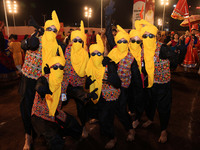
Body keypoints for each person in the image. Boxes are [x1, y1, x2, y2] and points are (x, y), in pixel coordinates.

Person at [19, 10, 64, 150]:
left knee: (44, 109)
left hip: (43, 81)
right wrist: (27, 42)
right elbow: (23, 45)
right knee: (26, 108)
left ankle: (45, 133)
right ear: (45, 28)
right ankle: (28, 136)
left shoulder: (58, 47)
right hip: (27, 79)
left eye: (54, 29)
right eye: (49, 28)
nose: (51, 31)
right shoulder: (37, 37)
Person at [32, 52, 82, 150]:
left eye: (61, 67)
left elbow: (73, 92)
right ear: (50, 68)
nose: (58, 70)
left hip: (56, 113)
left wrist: (87, 95)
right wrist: (42, 90)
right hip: (40, 115)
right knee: (54, 139)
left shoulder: (63, 82)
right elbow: (39, 86)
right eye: (55, 67)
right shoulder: (44, 79)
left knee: (73, 124)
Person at [138, 20, 172, 143]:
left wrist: (169, 58)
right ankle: (150, 119)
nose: (147, 38)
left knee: (163, 107)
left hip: (163, 84)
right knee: (149, 104)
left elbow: (174, 60)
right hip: (150, 82)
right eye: (145, 36)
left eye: (150, 36)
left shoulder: (162, 48)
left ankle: (163, 130)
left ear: (155, 36)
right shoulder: (142, 48)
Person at [85, 34, 121, 149]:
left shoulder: (108, 64)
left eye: (99, 54)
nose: (96, 56)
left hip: (110, 95)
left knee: (106, 117)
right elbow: (87, 83)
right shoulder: (90, 65)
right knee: (100, 114)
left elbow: (117, 83)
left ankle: (112, 138)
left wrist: (109, 75)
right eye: (93, 54)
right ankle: (105, 131)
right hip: (98, 95)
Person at [61, 20, 89, 138]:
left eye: (79, 40)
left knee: (81, 108)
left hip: (78, 87)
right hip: (65, 86)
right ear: (71, 40)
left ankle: (84, 127)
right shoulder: (66, 49)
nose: (77, 42)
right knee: (60, 104)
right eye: (74, 40)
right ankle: (59, 127)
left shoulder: (85, 53)